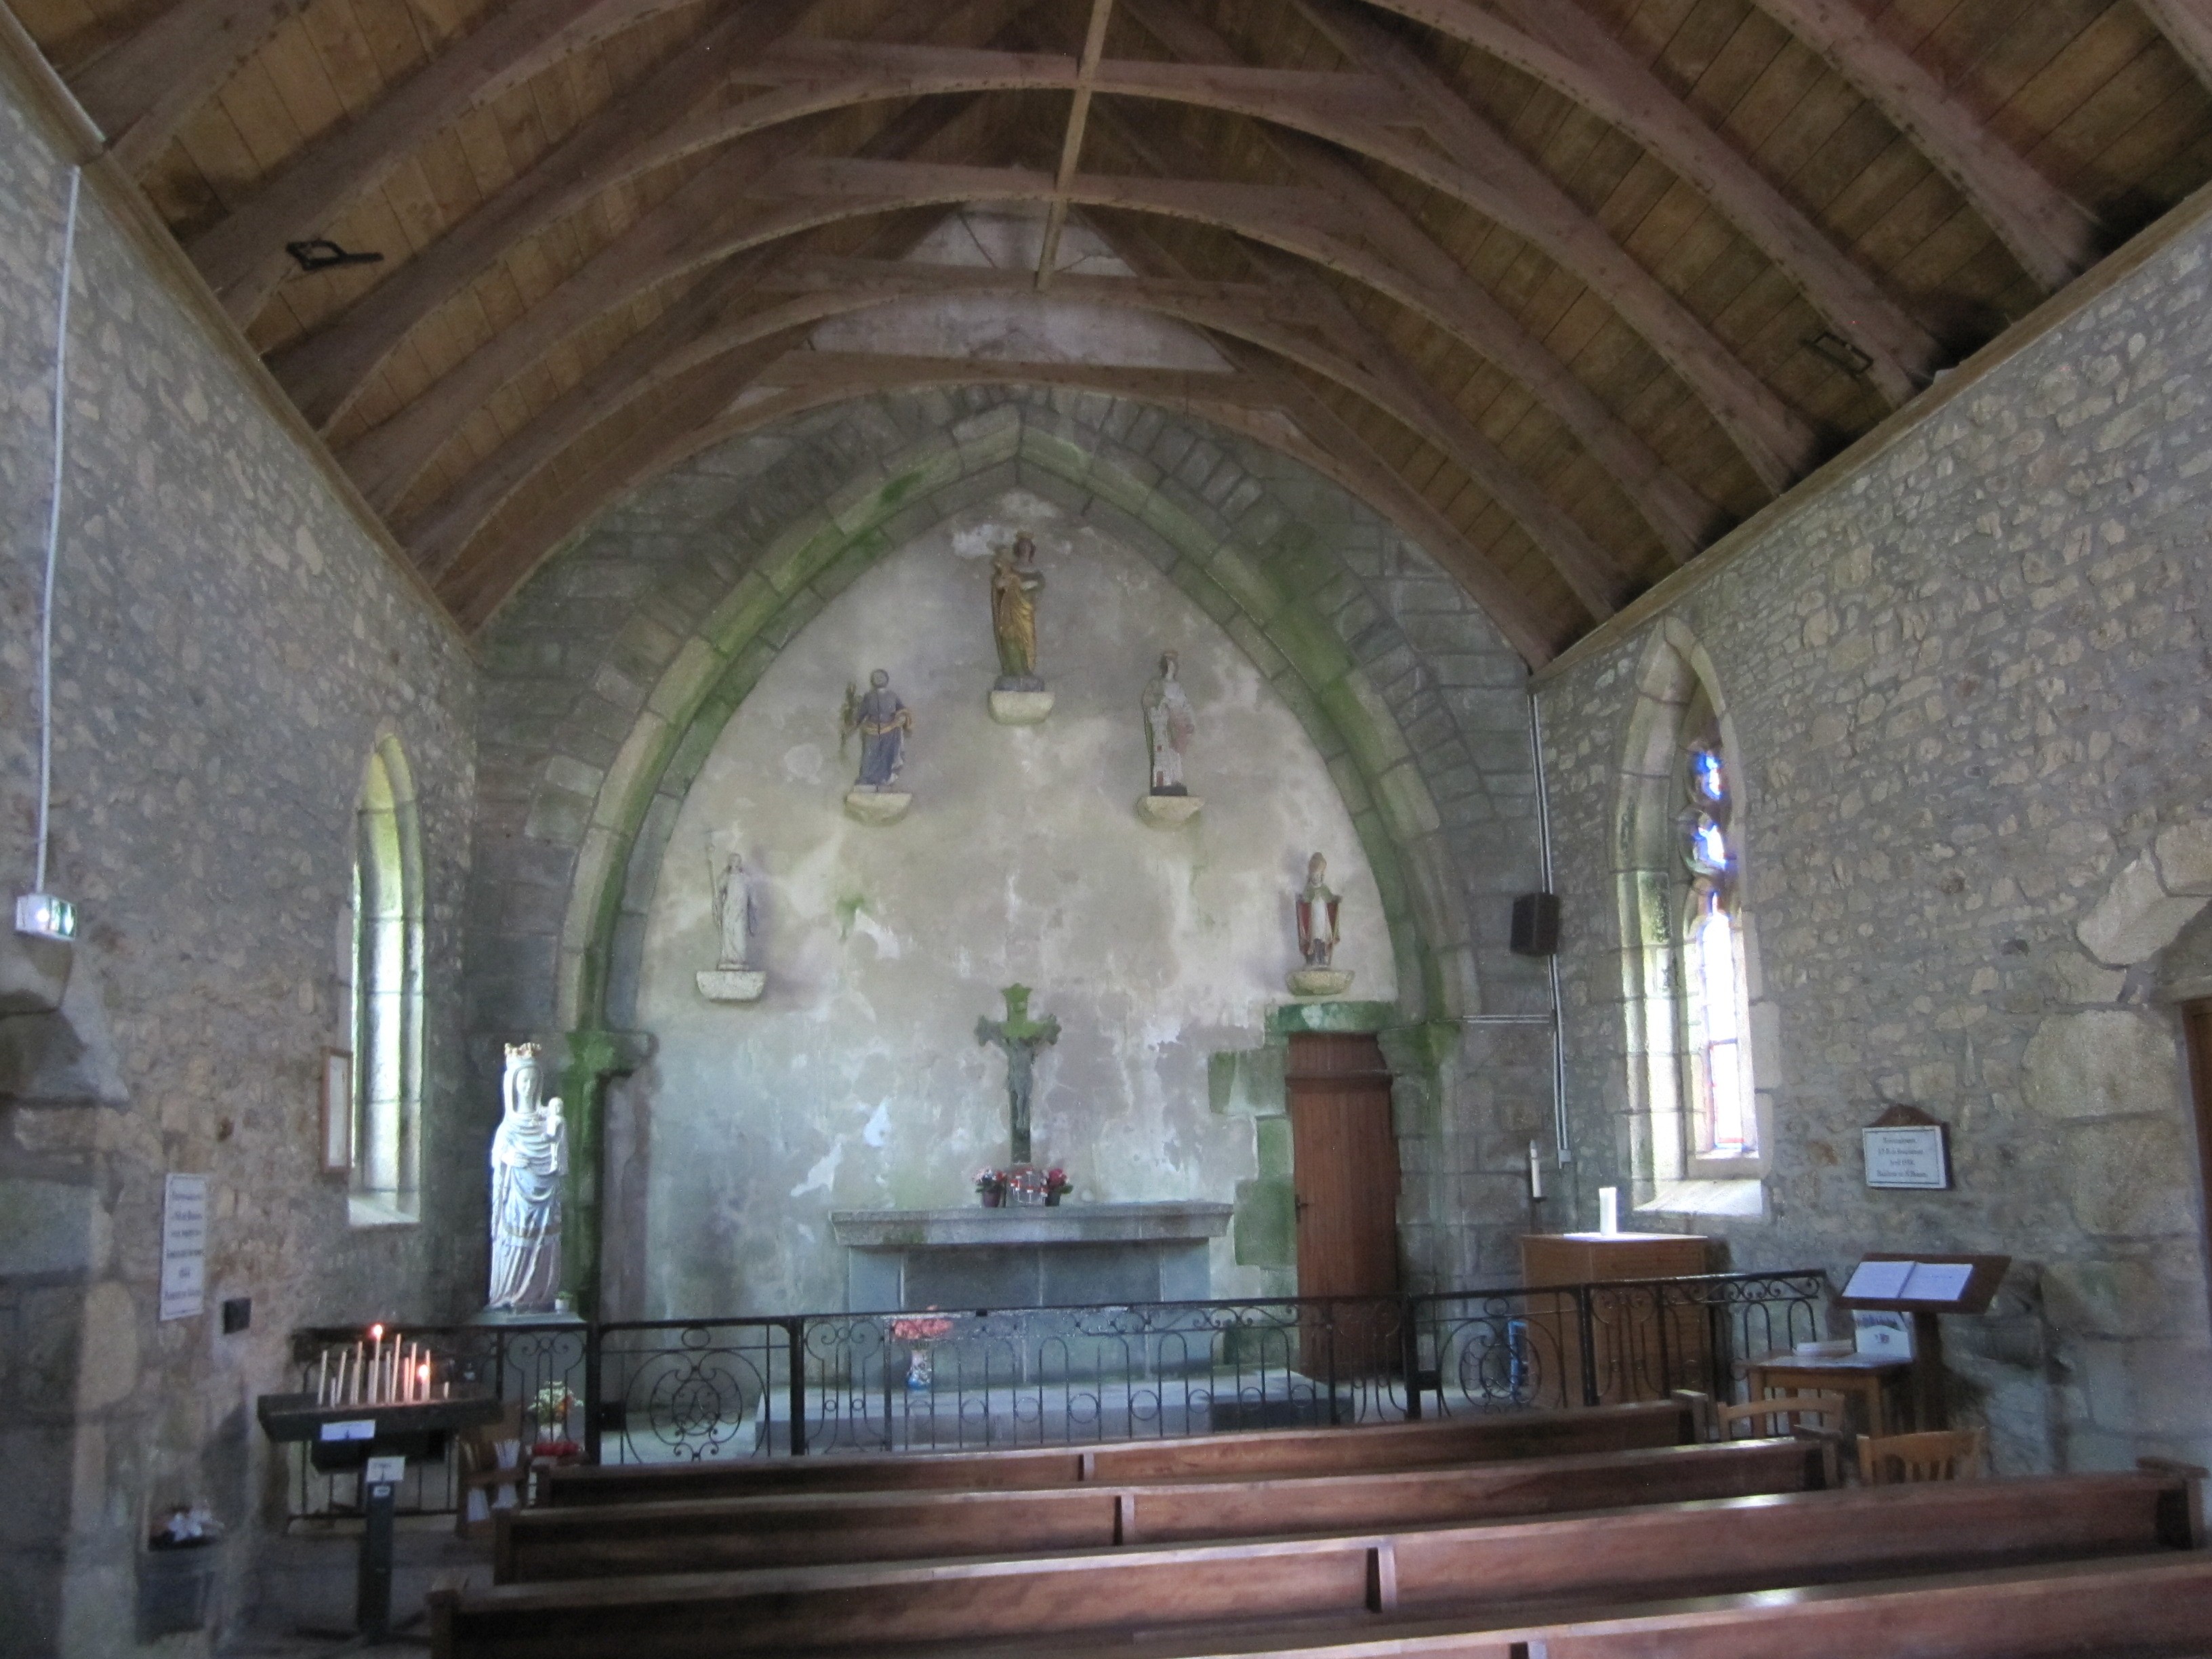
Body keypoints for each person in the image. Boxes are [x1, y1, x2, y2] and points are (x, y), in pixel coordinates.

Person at [487, 1042, 565, 1312]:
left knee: (544, 1242)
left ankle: (541, 1294)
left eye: (533, 1080)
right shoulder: (508, 1126)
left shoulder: (549, 1119)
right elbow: (497, 1156)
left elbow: (558, 1151)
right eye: (523, 1080)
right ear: (513, 1085)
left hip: (546, 1189)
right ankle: (510, 1292)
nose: (528, 1086)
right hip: (518, 1193)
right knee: (516, 1241)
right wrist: (507, 1158)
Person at [989, 533, 1045, 690]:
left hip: (1027, 609)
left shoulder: (1036, 571)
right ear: (1018, 549)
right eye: (1022, 546)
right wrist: (1002, 581)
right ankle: (1014, 670)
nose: (1025, 549)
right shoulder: (1011, 568)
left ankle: (1026, 669)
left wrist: (1028, 586)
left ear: (1032, 550)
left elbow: (1040, 586)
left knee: (1027, 637)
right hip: (1010, 607)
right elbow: (999, 584)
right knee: (1010, 636)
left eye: (1028, 547)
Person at [845, 669, 913, 791]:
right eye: (876, 677)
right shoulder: (869, 696)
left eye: (881, 677)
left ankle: (884, 781)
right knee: (870, 755)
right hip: (871, 730)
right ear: (872, 680)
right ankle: (867, 780)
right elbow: (861, 713)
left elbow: (902, 710)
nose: (879, 679)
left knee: (886, 756)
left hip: (890, 730)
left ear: (887, 679)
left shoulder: (892, 695)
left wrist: (903, 718)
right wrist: (853, 723)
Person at [1143, 651, 1196, 795]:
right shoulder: (1156, 684)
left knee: (1175, 754)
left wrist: (1191, 721)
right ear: (1165, 666)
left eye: (1174, 664)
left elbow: (1186, 705)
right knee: (1163, 753)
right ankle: (1163, 783)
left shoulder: (1178, 686)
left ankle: (1174, 780)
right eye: (1169, 664)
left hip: (1177, 724)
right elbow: (1148, 701)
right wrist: (1163, 703)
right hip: (1163, 723)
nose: (1172, 667)